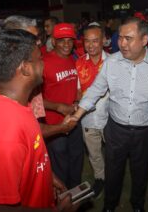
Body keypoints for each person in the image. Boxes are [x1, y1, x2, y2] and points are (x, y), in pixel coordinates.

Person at [71, 17, 148, 212]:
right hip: (116, 130)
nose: (122, 43)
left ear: (145, 40)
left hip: (145, 133)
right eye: (120, 38)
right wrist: (76, 116)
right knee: (113, 172)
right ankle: (109, 206)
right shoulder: (111, 62)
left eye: (128, 38)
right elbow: (95, 90)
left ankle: (137, 206)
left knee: (141, 173)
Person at [0, 29, 74, 212]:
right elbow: (3, 209)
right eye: (39, 58)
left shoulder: (19, 105)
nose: (43, 64)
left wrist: (48, 177)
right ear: (25, 68)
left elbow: (30, 155)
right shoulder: (4, 136)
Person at [0, 15, 74, 137]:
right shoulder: (16, 71)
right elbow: (29, 128)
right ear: (13, 39)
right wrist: (62, 128)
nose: (39, 42)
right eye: (33, 38)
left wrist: (58, 107)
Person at [42, 23, 84, 189]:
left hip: (74, 119)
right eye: (61, 40)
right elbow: (35, 99)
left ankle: (75, 194)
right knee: (60, 163)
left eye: (70, 40)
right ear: (53, 41)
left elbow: (75, 88)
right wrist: (59, 107)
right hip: (55, 123)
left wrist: (76, 100)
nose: (66, 44)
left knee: (77, 158)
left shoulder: (74, 60)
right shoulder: (44, 63)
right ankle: (63, 195)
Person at [75, 25, 109, 198]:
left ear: (103, 40)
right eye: (87, 41)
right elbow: (78, 91)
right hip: (87, 119)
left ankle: (113, 178)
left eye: (95, 40)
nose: (91, 45)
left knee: (112, 152)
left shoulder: (113, 62)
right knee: (94, 153)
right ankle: (100, 178)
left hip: (111, 118)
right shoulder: (78, 63)